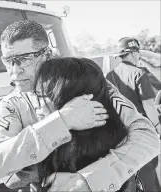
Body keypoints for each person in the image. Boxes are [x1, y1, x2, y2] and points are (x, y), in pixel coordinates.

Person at [0, 21, 160, 192]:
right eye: (8, 60)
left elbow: (147, 136)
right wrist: (62, 120)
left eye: (24, 59)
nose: (14, 70)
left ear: (47, 55)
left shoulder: (87, 83)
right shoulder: (13, 104)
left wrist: (89, 179)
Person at [34, 57, 137, 192]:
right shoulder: (119, 139)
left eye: (43, 97)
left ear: (73, 99)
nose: (36, 105)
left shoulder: (68, 151)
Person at [106, 37, 161, 191]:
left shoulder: (109, 76)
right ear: (134, 53)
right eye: (137, 53)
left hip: (120, 136)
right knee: (148, 176)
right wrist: (158, 129)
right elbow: (149, 106)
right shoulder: (139, 73)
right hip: (141, 134)